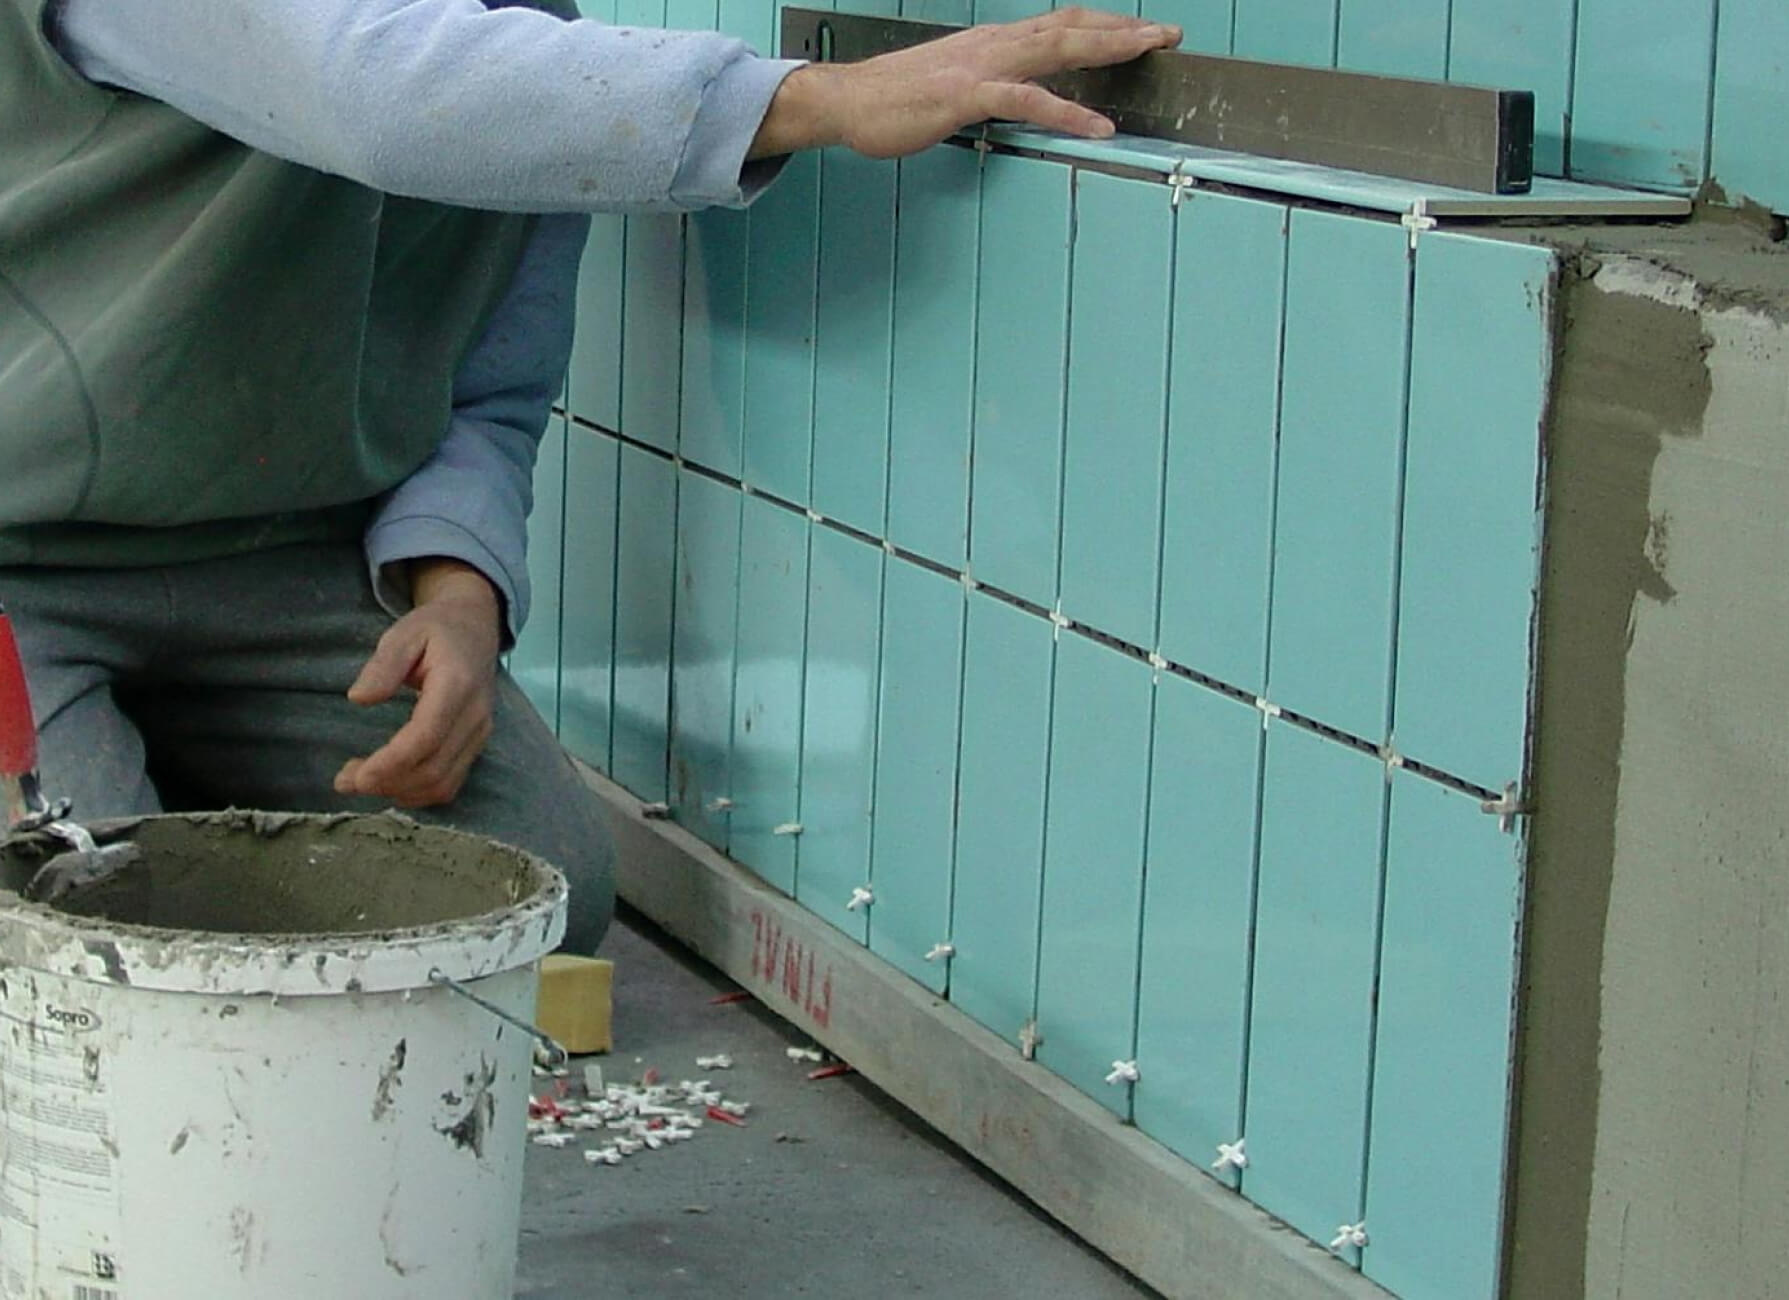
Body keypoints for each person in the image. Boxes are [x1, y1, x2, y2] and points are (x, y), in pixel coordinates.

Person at [0, 0, 1180, 952]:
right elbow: (367, 86)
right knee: (85, 934)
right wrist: (817, 99)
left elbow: (494, 375)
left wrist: (456, 594)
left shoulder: (530, 40)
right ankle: (112, 772)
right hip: (21, 571)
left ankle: (146, 768)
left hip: (281, 566)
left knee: (537, 894)